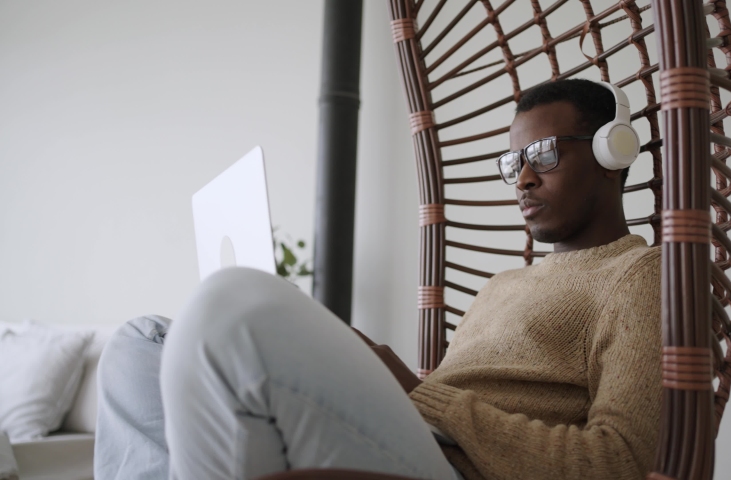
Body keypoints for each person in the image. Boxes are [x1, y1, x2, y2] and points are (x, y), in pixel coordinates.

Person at [94, 78, 661, 480]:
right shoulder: (504, 284)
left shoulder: (638, 277)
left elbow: (618, 465)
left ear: (614, 154)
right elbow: (443, 399)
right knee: (138, 343)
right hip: (415, 432)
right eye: (514, 163)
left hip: (453, 466)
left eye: (543, 154)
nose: (524, 179)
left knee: (231, 303)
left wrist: (422, 395)